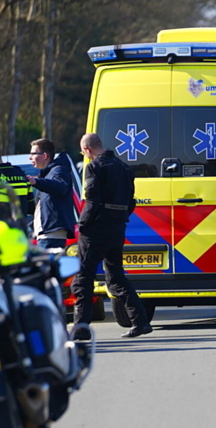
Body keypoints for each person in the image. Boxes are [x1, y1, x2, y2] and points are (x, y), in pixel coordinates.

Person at [72, 133, 151, 339]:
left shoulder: (94, 167)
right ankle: (140, 321)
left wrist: (82, 224)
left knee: (83, 277)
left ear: (87, 150)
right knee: (116, 277)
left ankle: (81, 327)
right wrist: (119, 217)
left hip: (96, 230)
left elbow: (92, 200)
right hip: (117, 228)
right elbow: (131, 201)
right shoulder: (124, 167)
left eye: (83, 152)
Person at [26, 138, 74, 250]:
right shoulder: (48, 174)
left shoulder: (58, 170)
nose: (30, 157)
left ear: (45, 156)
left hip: (51, 237)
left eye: (33, 153)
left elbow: (60, 187)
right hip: (46, 235)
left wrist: (36, 181)